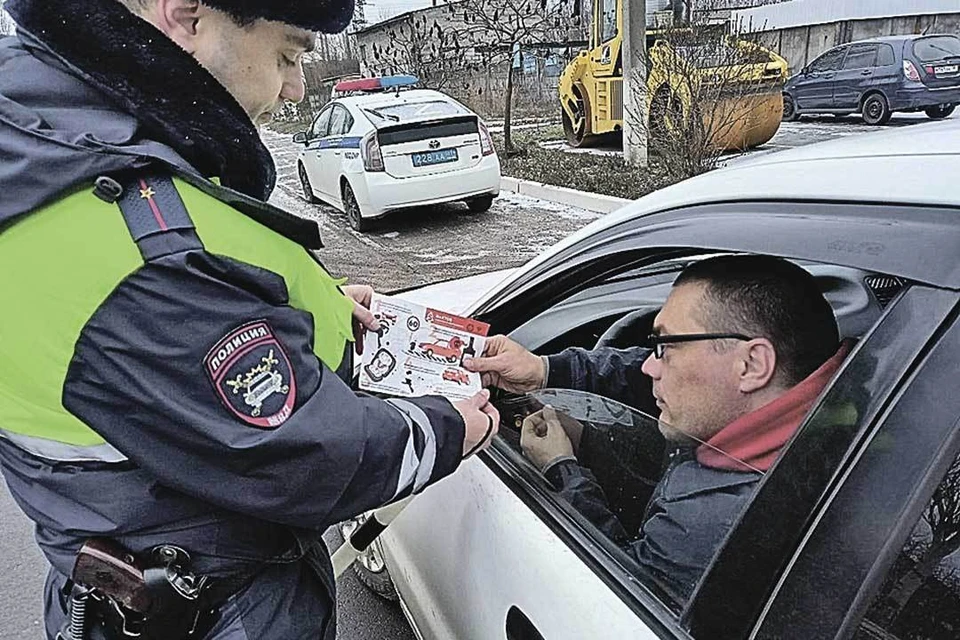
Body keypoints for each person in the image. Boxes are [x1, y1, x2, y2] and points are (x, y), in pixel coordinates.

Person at [0, 1, 498, 638]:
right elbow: (303, 454)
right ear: (188, 16)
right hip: (216, 607)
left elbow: (197, 294)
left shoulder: (68, 144)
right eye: (288, 54)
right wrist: (448, 427)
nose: (294, 88)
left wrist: (313, 303)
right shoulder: (121, 233)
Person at [465, 255, 850, 601]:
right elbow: (642, 372)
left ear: (751, 365)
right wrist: (545, 371)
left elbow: (619, 591)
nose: (650, 365)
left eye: (666, 346)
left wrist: (561, 468)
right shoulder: (836, 416)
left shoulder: (717, 520)